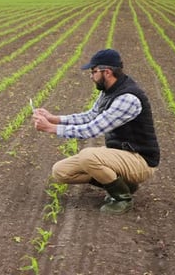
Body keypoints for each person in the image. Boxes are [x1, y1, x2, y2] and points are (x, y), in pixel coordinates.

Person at [32, 49, 160, 214]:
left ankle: (122, 198)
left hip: (140, 161)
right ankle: (125, 185)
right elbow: (90, 116)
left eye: (93, 71)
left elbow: (91, 130)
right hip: (120, 154)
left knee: (88, 156)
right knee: (61, 171)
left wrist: (51, 128)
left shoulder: (127, 98)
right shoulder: (108, 91)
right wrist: (54, 118)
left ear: (107, 72)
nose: (91, 76)